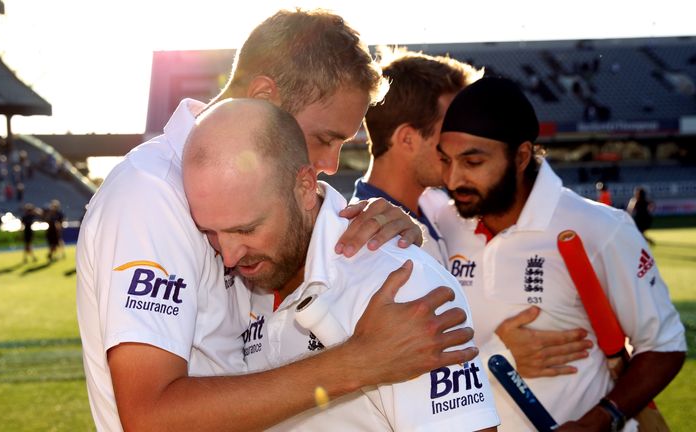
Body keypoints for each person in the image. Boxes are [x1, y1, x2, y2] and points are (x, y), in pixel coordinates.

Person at [76, 9, 478, 432]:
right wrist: (361, 360)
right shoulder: (152, 193)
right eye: (325, 138)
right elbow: (151, 416)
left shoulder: (243, 190)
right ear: (266, 97)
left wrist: (382, 230)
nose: (328, 163)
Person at [184, 98, 500, 431]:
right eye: (210, 231)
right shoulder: (229, 274)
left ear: (305, 187)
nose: (230, 255)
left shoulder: (402, 283)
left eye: (246, 229)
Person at [431, 77, 685, 430]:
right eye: (445, 160)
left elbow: (665, 345)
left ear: (520, 156)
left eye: (472, 162)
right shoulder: (441, 221)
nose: (453, 178)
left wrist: (600, 419)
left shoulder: (599, 227)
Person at [352, 47, 482, 266]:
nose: (463, 142)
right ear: (408, 139)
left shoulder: (434, 203)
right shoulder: (372, 240)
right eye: (450, 128)